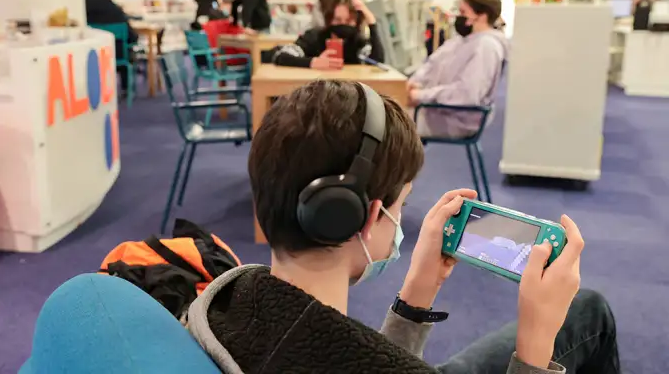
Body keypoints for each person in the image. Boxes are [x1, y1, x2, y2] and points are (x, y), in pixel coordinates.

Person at [186, 80, 620, 374]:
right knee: (589, 314)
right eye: (402, 204)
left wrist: (417, 291)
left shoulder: (229, 295)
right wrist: (536, 341)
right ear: (360, 216)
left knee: (587, 309)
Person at [407, 0, 509, 139]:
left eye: (463, 13)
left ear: (481, 15)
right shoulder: (462, 41)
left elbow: (467, 94)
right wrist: (416, 82)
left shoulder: (487, 47)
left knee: (387, 124)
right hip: (438, 110)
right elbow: (432, 63)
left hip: (457, 119)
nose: (458, 17)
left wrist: (422, 95)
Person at [272, 0, 383, 70]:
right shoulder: (313, 37)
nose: (343, 25)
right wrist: (312, 62)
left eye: (348, 21)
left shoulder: (358, 42)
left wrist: (372, 23)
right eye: (338, 20)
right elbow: (281, 57)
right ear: (329, 19)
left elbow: (377, 61)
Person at [85, 0, 138, 97]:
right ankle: (126, 89)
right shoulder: (115, 9)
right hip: (118, 53)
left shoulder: (82, 6)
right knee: (128, 51)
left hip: (92, 55)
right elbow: (132, 37)